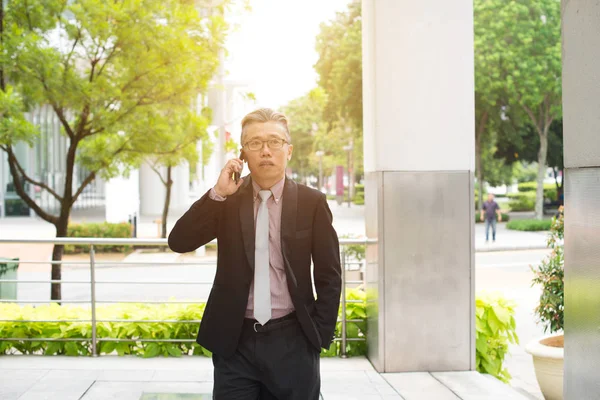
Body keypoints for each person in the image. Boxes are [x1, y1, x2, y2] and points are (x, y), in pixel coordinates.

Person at [168, 108, 341, 400]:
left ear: (289, 150)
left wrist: (317, 335)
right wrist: (217, 195)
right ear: (243, 154)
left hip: (293, 340)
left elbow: (329, 273)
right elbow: (179, 241)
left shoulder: (312, 202)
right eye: (255, 143)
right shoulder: (228, 200)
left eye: (274, 142)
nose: (265, 151)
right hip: (236, 341)